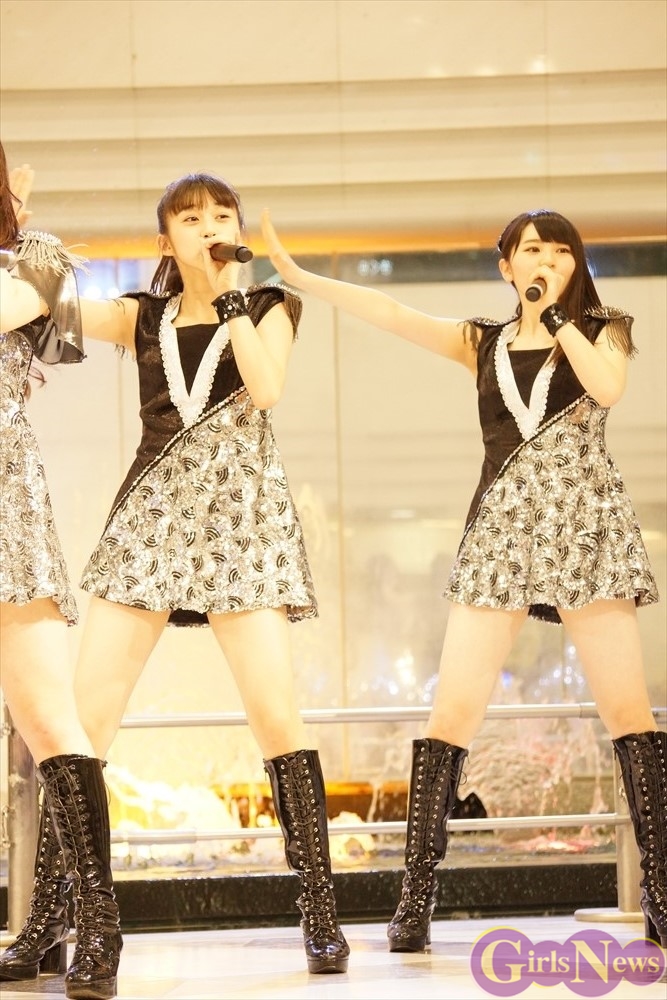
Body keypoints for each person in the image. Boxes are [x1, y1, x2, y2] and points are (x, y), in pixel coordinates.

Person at [260, 207, 666, 951]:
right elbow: (392, 313)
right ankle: (415, 901)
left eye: (560, 251)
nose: (545, 260)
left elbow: (607, 388)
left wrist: (558, 318)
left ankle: (662, 898)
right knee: (450, 713)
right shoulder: (482, 342)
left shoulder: (604, 328)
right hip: (500, 532)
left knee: (629, 716)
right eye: (530, 250)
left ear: (575, 264)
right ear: (506, 267)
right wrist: (301, 277)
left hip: (587, 531)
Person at [5, 171, 348, 979]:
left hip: (241, 523)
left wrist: (228, 296)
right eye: (190, 218)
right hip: (151, 518)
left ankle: (320, 913)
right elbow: (45, 305)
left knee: (276, 718)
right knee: (84, 723)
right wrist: (20, 227)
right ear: (165, 239)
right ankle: (49, 918)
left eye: (221, 214)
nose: (208, 226)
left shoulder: (268, 306)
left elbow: (266, 387)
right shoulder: (143, 315)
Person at [0, 143, 123, 999]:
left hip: (4, 498)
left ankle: (99, 926)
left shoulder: (32, 261)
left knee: (48, 718)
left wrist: (19, 214)